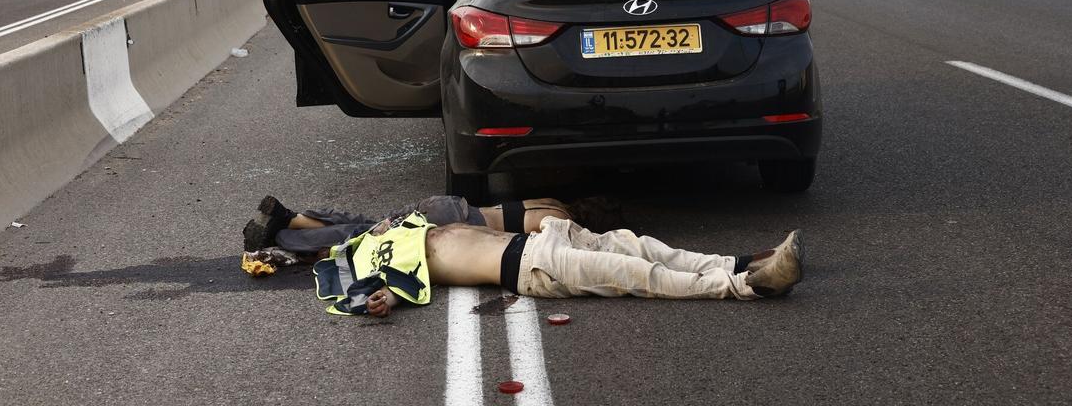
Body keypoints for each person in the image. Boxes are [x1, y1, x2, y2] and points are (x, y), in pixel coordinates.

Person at [306, 209, 803, 316]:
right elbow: (387, 287)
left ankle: (737, 259)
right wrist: (381, 299)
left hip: (544, 239)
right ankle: (748, 285)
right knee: (636, 275)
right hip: (530, 269)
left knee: (641, 246)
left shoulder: (396, 227)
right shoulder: (365, 259)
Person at [241, 193, 620, 261]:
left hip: (449, 204)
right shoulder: (559, 221)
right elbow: (526, 245)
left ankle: (289, 217)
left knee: (367, 226)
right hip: (454, 220)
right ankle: (280, 236)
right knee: (359, 239)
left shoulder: (553, 201)